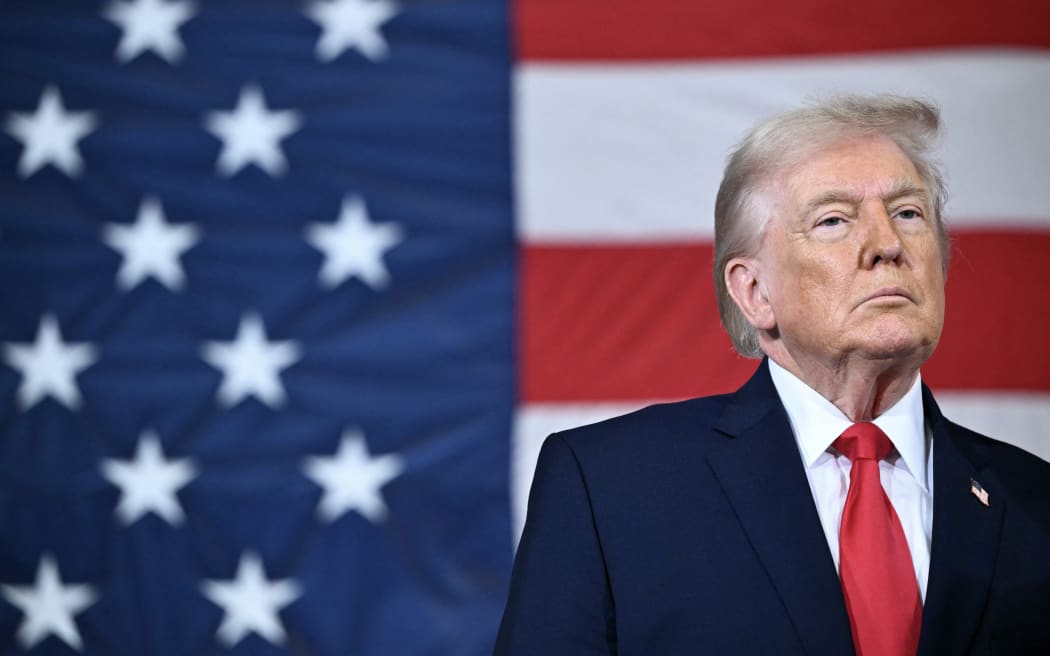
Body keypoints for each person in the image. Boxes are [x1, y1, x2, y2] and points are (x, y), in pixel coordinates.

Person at [494, 95, 1050, 655]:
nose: (888, 245)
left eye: (908, 213)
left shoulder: (1034, 500)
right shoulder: (610, 487)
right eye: (834, 220)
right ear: (755, 292)